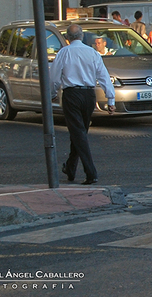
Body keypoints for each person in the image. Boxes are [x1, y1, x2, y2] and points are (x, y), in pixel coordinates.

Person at [50, 24, 115, 185]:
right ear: (81, 36)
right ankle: (71, 167)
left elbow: (54, 78)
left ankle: (90, 172)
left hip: (72, 94)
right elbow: (104, 76)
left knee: (78, 132)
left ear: (68, 37)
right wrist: (110, 99)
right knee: (80, 132)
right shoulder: (92, 53)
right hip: (88, 94)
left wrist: (52, 94)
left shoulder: (64, 53)